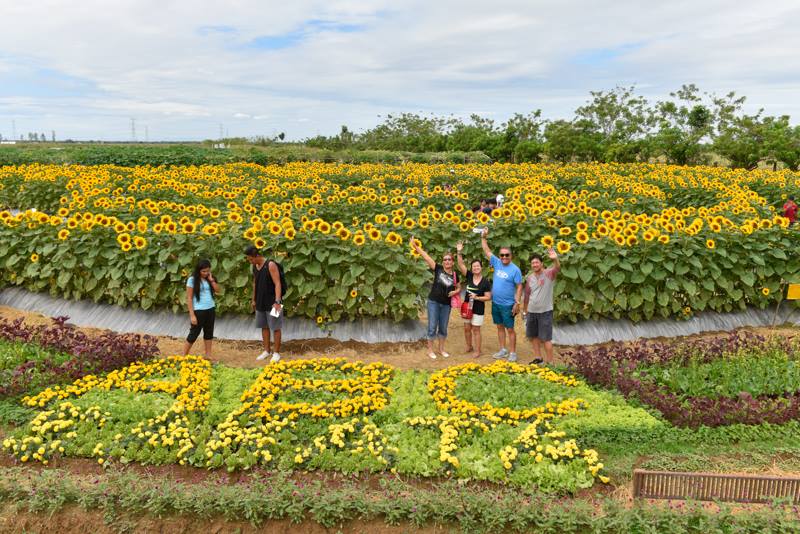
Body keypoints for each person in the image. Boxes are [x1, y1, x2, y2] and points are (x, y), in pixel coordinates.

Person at [411, 238, 460, 359]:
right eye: (445, 260)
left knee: (443, 327)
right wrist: (417, 247)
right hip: (433, 302)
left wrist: (455, 291)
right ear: (443, 262)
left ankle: (441, 349)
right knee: (432, 326)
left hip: (446, 305)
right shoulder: (438, 269)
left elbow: (459, 287)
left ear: (452, 262)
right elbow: (427, 257)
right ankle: (430, 350)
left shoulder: (454, 275)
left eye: (449, 259)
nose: (447, 261)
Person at [480, 228, 523, 362]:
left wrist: (517, 302)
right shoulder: (497, 263)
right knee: (499, 326)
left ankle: (513, 352)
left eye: (507, 255)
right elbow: (486, 250)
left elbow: (519, 286)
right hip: (496, 303)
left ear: (511, 256)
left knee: (510, 329)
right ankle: (503, 350)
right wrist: (483, 237)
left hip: (508, 304)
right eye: (502, 255)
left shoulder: (515, 269)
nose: (504, 257)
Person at [244, 245, 284, 363]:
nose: (250, 262)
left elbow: (278, 283)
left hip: (274, 302)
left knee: (276, 327)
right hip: (260, 302)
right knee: (264, 326)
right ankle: (267, 351)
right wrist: (254, 299)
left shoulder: (270, 265)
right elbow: (255, 283)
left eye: (251, 259)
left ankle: (276, 353)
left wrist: (277, 301)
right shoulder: (255, 266)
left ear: (257, 256)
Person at [523, 249, 561, 365]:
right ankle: (538, 358)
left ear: (541, 263)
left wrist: (555, 259)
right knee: (533, 336)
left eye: (537, 262)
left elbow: (557, 269)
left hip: (545, 312)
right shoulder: (530, 278)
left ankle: (550, 363)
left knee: (546, 338)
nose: (535, 265)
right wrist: (525, 311)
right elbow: (527, 295)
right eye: (533, 263)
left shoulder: (548, 274)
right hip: (532, 311)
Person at [456, 241, 492, 358]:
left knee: (476, 329)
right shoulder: (470, 276)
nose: (476, 268)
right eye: (474, 266)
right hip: (467, 307)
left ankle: (478, 350)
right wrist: (459, 251)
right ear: (472, 268)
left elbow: (488, 297)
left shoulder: (485, 282)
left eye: (478, 266)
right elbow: (461, 265)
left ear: (481, 268)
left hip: (478, 308)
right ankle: (469, 346)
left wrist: (477, 297)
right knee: (467, 328)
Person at [183, 259, 220, 358]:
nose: (206, 273)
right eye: (203, 271)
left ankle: (208, 355)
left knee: (209, 332)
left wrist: (211, 280)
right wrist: (192, 315)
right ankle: (184, 356)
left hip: (210, 309)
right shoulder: (192, 280)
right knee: (194, 333)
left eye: (208, 271)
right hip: (199, 311)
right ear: (198, 270)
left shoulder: (210, 278)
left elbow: (218, 291)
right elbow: (189, 298)